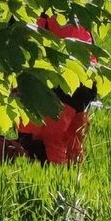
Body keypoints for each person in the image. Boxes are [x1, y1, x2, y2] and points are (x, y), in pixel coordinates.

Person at [16, 14, 97, 164]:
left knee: (47, 139)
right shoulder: (76, 6)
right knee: (73, 140)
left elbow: (27, 47)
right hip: (86, 79)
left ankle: (54, 180)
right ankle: (74, 180)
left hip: (59, 80)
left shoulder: (37, 8)